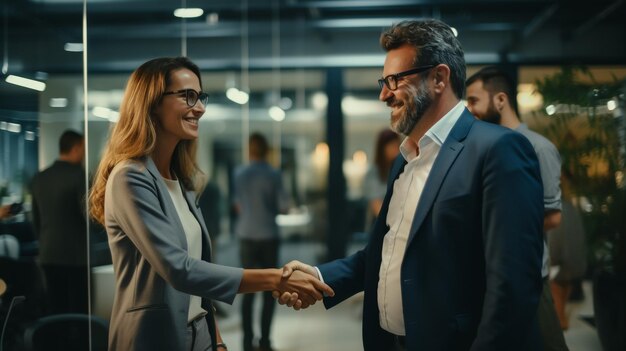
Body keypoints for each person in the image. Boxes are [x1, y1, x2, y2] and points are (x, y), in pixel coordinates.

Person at [277, 19, 545, 351]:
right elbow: (383, 254)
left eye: (395, 80)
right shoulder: (405, 159)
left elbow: (513, 287)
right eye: (383, 81)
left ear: (438, 78)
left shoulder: (498, 150)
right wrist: (318, 277)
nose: (383, 94)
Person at [88, 57, 333, 351]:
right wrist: (277, 279)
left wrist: (215, 339)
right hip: (154, 339)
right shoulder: (130, 178)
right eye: (188, 96)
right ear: (152, 103)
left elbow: (199, 272)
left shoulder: (180, 180)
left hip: (199, 336)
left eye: (200, 96)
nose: (200, 108)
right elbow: (180, 270)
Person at [466, 66, 568, 351]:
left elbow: (554, 215)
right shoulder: (481, 149)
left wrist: (496, 226)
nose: (469, 109)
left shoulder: (539, 147)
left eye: (474, 100)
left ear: (500, 100)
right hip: (490, 278)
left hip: (530, 278)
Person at [233, 132, 289, 351]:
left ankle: (247, 343)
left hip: (246, 234)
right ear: (266, 150)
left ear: (249, 150)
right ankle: (265, 342)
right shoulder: (273, 174)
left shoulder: (239, 174)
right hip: (268, 235)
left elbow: (237, 204)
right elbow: (283, 205)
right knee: (269, 290)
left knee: (246, 290)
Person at [30, 129, 88, 315]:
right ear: (76, 148)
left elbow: (36, 220)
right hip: (76, 257)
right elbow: (89, 216)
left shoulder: (40, 178)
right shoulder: (80, 177)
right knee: (78, 313)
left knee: (55, 311)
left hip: (48, 255)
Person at [548, 170, 587, 330]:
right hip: (574, 264)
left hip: (561, 264)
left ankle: (560, 320)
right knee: (562, 284)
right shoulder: (571, 207)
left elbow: (555, 243)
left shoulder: (558, 208)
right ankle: (562, 317)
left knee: (555, 284)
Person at [363, 129, 401, 222]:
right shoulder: (374, 172)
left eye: (397, 145)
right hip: (381, 223)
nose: (395, 150)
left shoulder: (400, 168)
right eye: (392, 146)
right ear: (383, 149)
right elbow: (376, 206)